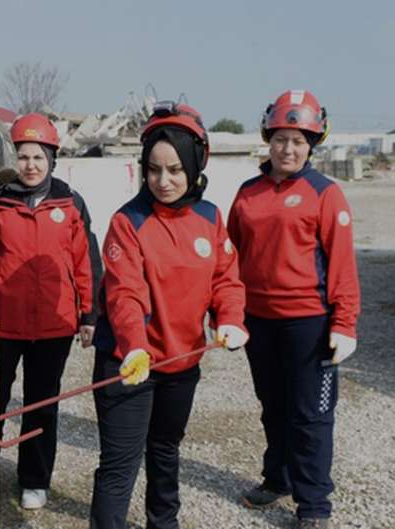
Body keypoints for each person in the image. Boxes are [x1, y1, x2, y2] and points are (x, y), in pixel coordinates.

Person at [89, 102, 248, 529]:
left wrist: (230, 317)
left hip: (182, 363)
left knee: (165, 450)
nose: (163, 181)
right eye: (154, 170)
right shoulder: (128, 222)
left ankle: (165, 523)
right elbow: (124, 294)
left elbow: (225, 278)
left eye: (175, 169)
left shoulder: (210, 217)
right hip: (130, 362)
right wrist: (134, 347)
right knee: (120, 465)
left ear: (196, 165)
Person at [227, 90, 360, 529]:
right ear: (269, 139)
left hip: (310, 324)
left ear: (312, 144)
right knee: (273, 405)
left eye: (299, 140)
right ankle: (277, 477)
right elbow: (230, 258)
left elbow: (341, 264)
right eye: (282, 138)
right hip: (258, 322)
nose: (288, 148)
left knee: (311, 416)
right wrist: (225, 312)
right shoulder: (247, 194)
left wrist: (344, 322)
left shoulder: (326, 194)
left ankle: (314, 504)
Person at [0, 113, 103, 518]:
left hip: (54, 326)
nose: (30, 165)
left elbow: (85, 262)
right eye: (22, 156)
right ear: (11, 159)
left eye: (38, 156)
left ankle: (35, 481)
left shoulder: (70, 202)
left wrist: (89, 314)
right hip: (1, 324)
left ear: (52, 158)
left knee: (42, 406)